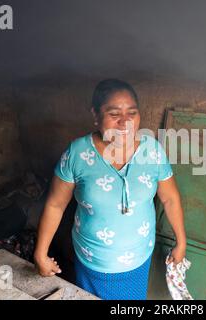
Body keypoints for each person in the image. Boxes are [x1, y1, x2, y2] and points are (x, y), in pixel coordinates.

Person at [34, 78, 187, 300]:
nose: (125, 123)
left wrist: (181, 242)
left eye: (132, 113)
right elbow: (55, 204)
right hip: (91, 261)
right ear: (95, 115)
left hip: (138, 259)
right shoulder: (77, 153)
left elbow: (170, 198)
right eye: (114, 114)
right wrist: (40, 253)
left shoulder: (152, 151)